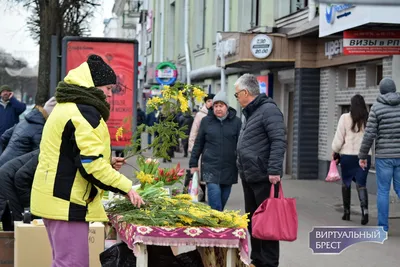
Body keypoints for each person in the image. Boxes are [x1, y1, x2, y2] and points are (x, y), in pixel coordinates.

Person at [30, 54, 144, 267]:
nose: (110, 95)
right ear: (94, 85)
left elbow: (73, 155)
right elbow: (91, 165)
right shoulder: (83, 112)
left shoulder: (68, 106)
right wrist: (127, 187)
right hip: (66, 202)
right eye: (109, 88)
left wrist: (106, 163)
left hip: (57, 198)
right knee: (73, 264)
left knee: (63, 262)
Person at [235, 73, 286, 267]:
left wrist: (274, 170)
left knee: (268, 223)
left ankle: (270, 262)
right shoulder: (250, 112)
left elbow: (279, 141)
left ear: (246, 92)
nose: (237, 98)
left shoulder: (268, 111)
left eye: (237, 94)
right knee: (253, 221)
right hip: (249, 175)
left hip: (265, 176)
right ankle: (257, 259)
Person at [359, 77, 400, 232]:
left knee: (383, 190)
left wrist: (362, 155)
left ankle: (383, 228)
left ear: (381, 90)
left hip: (384, 157)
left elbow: (369, 134)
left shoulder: (377, 108)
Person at [189, 92, 241, 211]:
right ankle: (216, 225)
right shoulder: (206, 121)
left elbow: (241, 145)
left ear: (227, 107)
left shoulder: (236, 122)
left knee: (222, 203)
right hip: (210, 167)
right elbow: (198, 143)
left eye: (221, 106)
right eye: (215, 106)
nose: (218, 108)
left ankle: (217, 226)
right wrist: (193, 164)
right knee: (215, 202)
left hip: (229, 167)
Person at [332, 94, 371, 225]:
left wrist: (335, 150)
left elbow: (339, 138)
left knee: (346, 182)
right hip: (364, 156)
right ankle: (365, 211)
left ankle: (347, 212)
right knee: (361, 184)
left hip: (347, 155)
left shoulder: (344, 118)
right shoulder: (368, 118)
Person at [0, 97, 57, 167]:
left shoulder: (24, 121)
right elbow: (38, 156)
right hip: (14, 168)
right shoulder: (39, 128)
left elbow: (4, 137)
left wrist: (7, 151)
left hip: (3, 163)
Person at [0, 149, 39, 231]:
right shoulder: (45, 154)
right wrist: (28, 206)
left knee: (16, 219)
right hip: (8, 179)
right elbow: (21, 176)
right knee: (17, 219)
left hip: (9, 177)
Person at [188, 93, 215, 202]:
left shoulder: (216, 113)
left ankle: (210, 194)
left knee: (209, 173)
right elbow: (194, 132)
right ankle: (201, 195)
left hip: (211, 149)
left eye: (212, 101)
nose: (211, 103)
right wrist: (191, 149)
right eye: (209, 101)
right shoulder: (200, 115)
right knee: (199, 173)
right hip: (201, 148)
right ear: (205, 102)